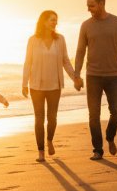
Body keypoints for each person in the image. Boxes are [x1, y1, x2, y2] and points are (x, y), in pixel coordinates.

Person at [73, 0, 117, 160]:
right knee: (94, 115)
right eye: (87, 6)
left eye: (91, 5)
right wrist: (76, 75)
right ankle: (97, 149)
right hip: (93, 76)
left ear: (101, 3)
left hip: (113, 75)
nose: (89, 9)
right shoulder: (85, 25)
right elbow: (80, 51)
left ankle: (110, 136)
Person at [22, 10, 77, 162]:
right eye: (52, 20)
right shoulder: (33, 40)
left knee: (52, 118)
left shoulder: (60, 39)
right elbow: (28, 62)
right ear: (44, 21)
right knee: (39, 119)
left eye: (56, 20)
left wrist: (75, 78)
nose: (55, 23)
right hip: (36, 86)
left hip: (54, 85)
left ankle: (50, 140)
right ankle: (41, 152)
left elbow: (65, 61)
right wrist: (24, 83)